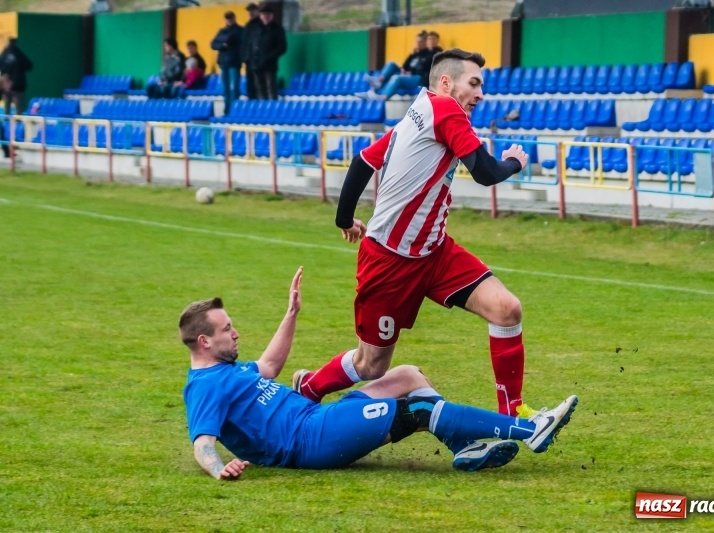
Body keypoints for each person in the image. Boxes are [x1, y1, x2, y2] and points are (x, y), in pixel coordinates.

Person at [294, 49, 543, 417]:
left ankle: (513, 414)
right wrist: (514, 162)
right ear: (446, 82)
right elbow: (486, 172)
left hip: (435, 253)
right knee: (370, 366)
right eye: (474, 83)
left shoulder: (420, 109)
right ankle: (310, 386)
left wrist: (344, 219)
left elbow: (363, 160)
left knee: (507, 309)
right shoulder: (445, 110)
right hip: (389, 261)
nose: (480, 94)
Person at [181, 268, 578, 479]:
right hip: (309, 441)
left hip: (318, 419)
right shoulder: (204, 387)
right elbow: (202, 443)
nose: (236, 333)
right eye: (226, 330)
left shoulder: (230, 369)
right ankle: (530, 430)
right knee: (418, 410)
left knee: (407, 375)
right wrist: (219, 468)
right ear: (204, 341)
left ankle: (464, 447)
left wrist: (291, 314)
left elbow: (269, 367)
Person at [357, 30, 428, 101]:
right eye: (417, 41)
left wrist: (411, 72)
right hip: (408, 75)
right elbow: (405, 66)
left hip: (418, 78)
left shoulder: (428, 54)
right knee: (391, 64)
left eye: (420, 42)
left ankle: (383, 97)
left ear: (425, 42)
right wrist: (411, 55)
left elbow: (425, 69)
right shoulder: (415, 54)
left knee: (396, 77)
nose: (418, 43)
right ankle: (377, 83)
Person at [248, 5, 287, 100]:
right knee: (259, 88)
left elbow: (282, 47)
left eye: (268, 14)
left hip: (270, 64)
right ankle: (262, 106)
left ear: (272, 16)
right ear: (260, 16)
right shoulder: (256, 28)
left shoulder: (277, 29)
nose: (265, 16)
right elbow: (251, 45)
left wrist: (270, 57)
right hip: (256, 63)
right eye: (263, 14)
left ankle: (272, 107)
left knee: (270, 87)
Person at [210, 11, 243, 115]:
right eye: (227, 19)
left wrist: (223, 42)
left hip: (234, 62)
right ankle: (226, 110)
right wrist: (222, 45)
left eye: (230, 18)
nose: (229, 20)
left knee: (234, 88)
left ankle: (234, 110)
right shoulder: (222, 31)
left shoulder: (240, 30)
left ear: (234, 18)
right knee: (225, 89)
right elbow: (213, 44)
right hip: (223, 63)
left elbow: (238, 42)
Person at [0, 38, 33, 115]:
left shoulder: (4, 55)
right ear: (15, 44)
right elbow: (29, 66)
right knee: (18, 110)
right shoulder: (19, 55)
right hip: (17, 85)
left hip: (5, 86)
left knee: (6, 110)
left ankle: (6, 121)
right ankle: (17, 121)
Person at [240, 2, 261, 100]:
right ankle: (251, 101)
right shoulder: (248, 25)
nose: (250, 13)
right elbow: (244, 43)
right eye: (249, 11)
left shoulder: (260, 25)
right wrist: (244, 57)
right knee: (250, 84)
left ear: (257, 11)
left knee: (259, 84)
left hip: (258, 60)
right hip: (249, 60)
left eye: (253, 11)